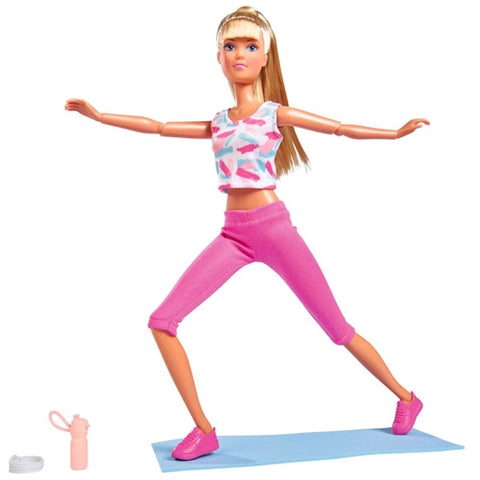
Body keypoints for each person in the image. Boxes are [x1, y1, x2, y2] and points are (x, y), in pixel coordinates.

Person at [65, 6, 429, 461]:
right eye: (230, 46)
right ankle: (204, 430)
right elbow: (157, 127)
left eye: (250, 46)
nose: (239, 54)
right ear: (218, 57)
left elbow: (338, 129)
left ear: (265, 57)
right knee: (162, 321)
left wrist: (394, 134)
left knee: (337, 329)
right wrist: (99, 116)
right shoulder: (218, 121)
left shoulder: (276, 114)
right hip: (233, 235)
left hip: (274, 229)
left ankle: (406, 397)